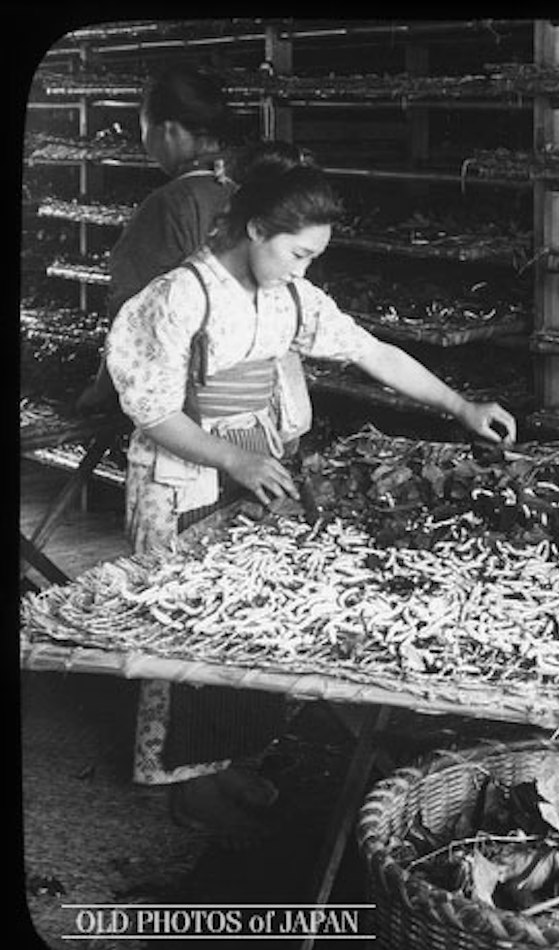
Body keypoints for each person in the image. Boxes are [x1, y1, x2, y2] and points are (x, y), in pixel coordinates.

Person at [105, 141, 517, 840]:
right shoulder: (180, 297)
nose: (306, 268)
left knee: (243, 619)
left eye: (314, 259)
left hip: (253, 461)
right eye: (299, 253)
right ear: (257, 230)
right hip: (182, 476)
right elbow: (152, 411)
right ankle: (180, 781)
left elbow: (371, 351)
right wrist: (232, 463)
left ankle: (222, 756)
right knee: (180, 627)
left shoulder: (290, 296)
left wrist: (460, 406)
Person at [78, 63, 238, 414]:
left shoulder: (169, 204)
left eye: (144, 130)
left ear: (167, 131)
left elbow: (131, 308)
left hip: (183, 392)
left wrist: (104, 387)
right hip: (245, 390)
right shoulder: (242, 191)